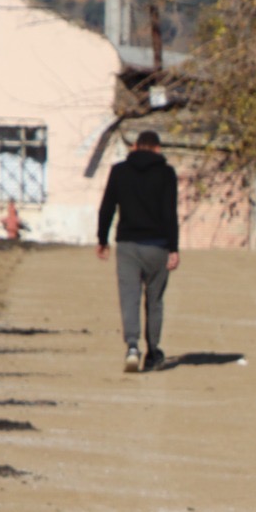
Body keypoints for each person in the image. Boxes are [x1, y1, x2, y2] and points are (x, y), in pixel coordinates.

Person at [96, 130, 180, 374]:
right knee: (154, 301)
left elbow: (107, 208)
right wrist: (173, 248)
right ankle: (153, 352)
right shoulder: (166, 174)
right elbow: (169, 213)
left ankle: (132, 347)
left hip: (128, 246)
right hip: (158, 246)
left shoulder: (120, 171)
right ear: (157, 149)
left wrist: (102, 239)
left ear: (134, 147)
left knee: (129, 297)